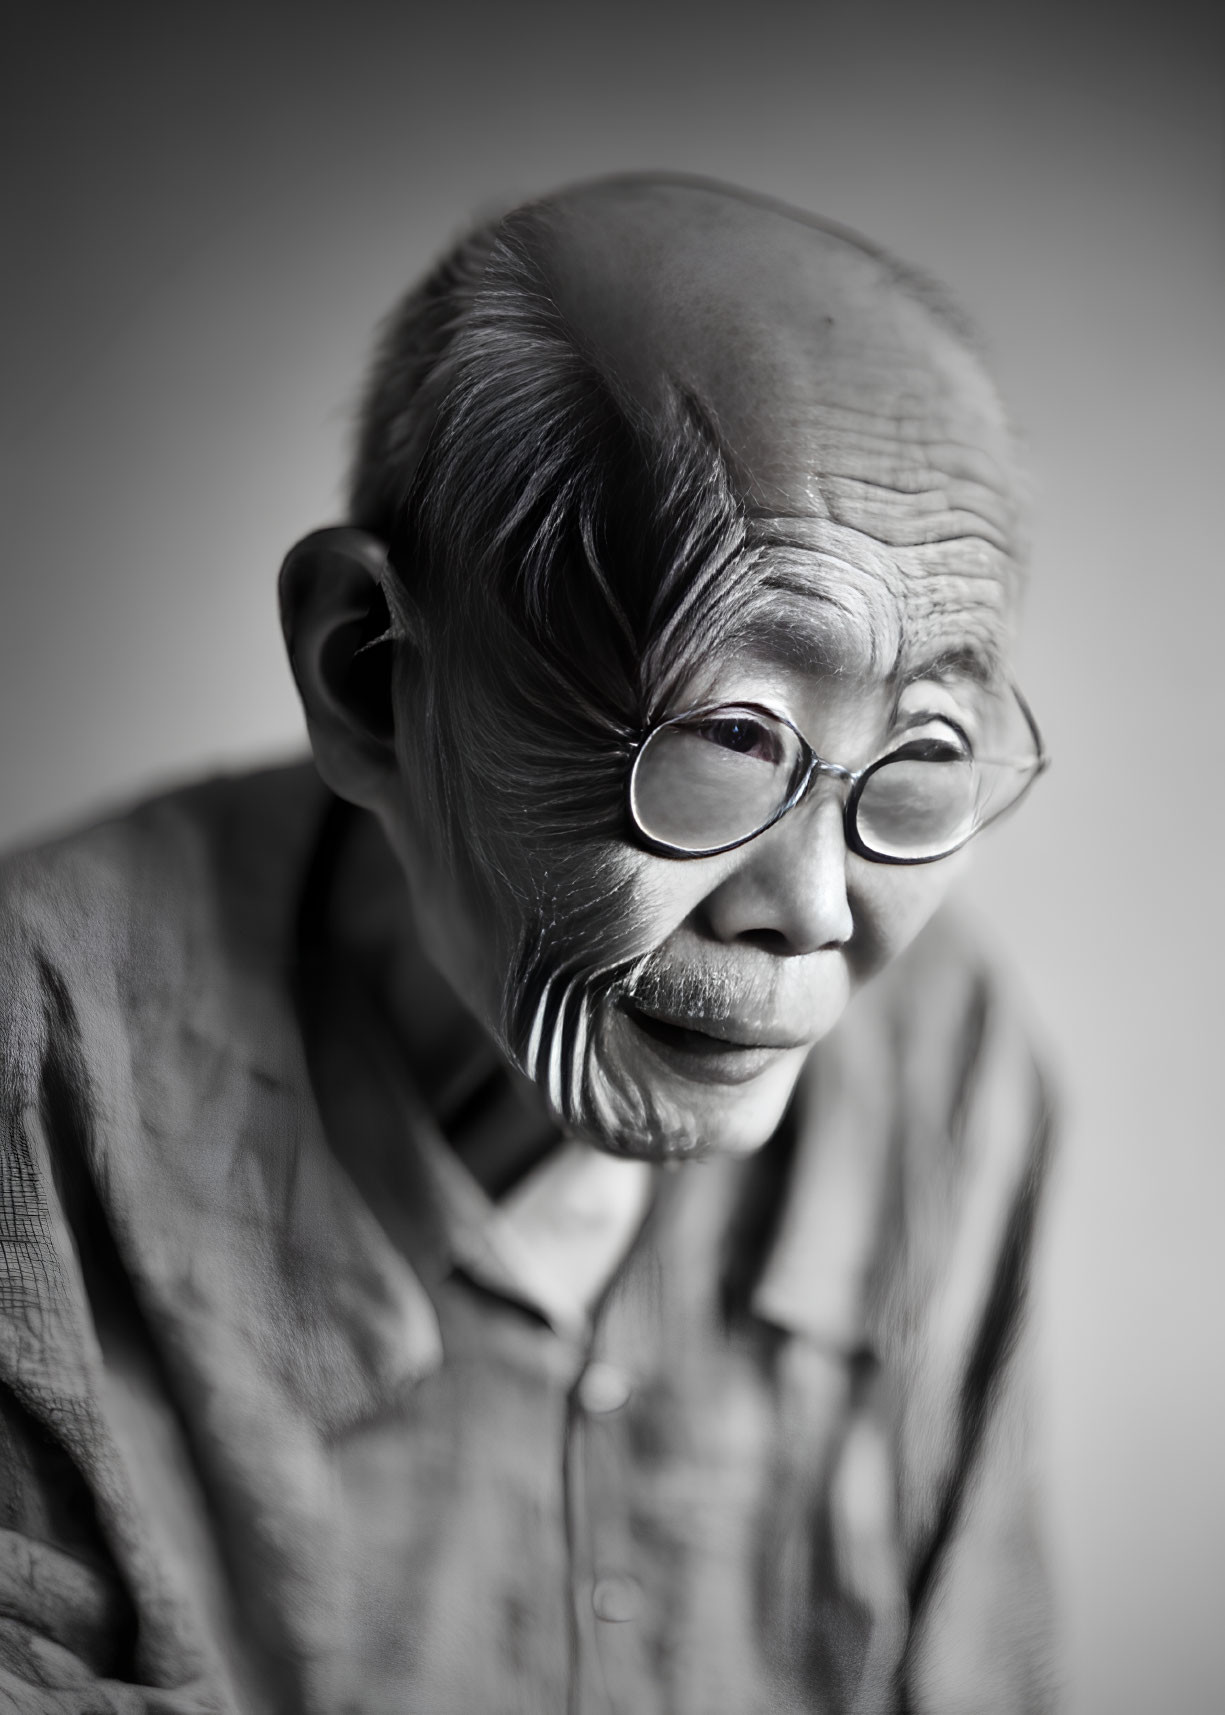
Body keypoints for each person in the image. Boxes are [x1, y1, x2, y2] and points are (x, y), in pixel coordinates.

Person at [0, 175, 1055, 1712]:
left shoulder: (949, 1065)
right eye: (728, 735)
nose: (816, 912)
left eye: (926, 750)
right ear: (368, 674)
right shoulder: (38, 1058)